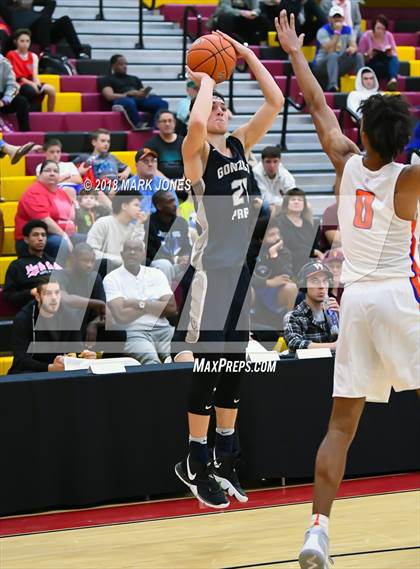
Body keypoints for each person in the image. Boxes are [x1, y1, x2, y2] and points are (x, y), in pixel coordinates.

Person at [276, 11, 420, 567]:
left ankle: (317, 531)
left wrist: (293, 51)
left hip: (354, 301)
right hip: (399, 297)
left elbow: (316, 105)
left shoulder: (348, 164)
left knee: (340, 426)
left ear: (363, 133)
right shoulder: (407, 179)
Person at [173, 30, 284, 509]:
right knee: (211, 365)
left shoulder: (240, 144)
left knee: (235, 368)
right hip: (211, 273)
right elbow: (195, 126)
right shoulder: (196, 154)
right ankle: (194, 459)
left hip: (241, 272)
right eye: (214, 103)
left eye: (222, 102)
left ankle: (224, 453)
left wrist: (246, 55)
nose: (219, 108)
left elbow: (276, 100)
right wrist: (202, 80)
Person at [103, 240, 177, 365]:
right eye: (128, 249)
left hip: (164, 329)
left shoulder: (156, 274)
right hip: (134, 332)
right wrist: (155, 304)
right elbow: (121, 316)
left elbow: (171, 308)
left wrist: (138, 303)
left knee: (179, 358)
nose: (132, 252)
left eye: (136, 249)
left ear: (143, 254)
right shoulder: (111, 279)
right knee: (152, 363)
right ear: (122, 254)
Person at [8, 277, 96, 374]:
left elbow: (76, 349)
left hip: (62, 368)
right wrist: (49, 368)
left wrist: (86, 356)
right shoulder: (23, 318)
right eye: (48, 294)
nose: (54, 298)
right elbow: (20, 360)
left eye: (57, 293)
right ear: (38, 296)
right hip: (31, 371)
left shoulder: (70, 315)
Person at [55, 243, 121, 351]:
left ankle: (110, 363)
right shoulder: (59, 275)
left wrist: (94, 324)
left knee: (118, 332)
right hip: (64, 328)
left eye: (92, 261)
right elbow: (64, 299)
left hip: (87, 328)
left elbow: (106, 314)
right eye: (85, 260)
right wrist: (97, 303)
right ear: (73, 258)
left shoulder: (94, 277)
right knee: (73, 315)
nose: (89, 265)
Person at [15, 160, 76, 261]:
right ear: (39, 175)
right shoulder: (33, 192)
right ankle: (58, 275)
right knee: (60, 243)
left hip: (60, 233)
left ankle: (80, 275)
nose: (52, 173)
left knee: (84, 240)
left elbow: (71, 216)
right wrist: (65, 236)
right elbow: (44, 220)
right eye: (47, 170)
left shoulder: (61, 192)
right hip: (34, 237)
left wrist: (74, 203)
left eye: (55, 171)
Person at [3, 219, 62, 310]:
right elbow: (8, 297)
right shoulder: (17, 266)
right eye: (35, 235)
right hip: (35, 308)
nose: (40, 238)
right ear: (26, 239)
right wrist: (31, 292)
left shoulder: (54, 262)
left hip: (62, 303)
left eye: (43, 235)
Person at [99, 54, 168, 130]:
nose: (124, 66)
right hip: (122, 100)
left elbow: (141, 91)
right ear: (113, 66)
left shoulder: (134, 78)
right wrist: (127, 94)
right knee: (129, 102)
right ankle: (138, 125)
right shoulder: (106, 79)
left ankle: (156, 127)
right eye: (121, 64)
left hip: (137, 99)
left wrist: (143, 93)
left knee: (162, 102)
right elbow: (109, 96)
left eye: (126, 64)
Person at [0, 0, 89, 58]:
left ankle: (79, 52)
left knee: (64, 20)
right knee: (43, 19)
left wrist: (31, 2)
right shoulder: (10, 12)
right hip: (27, 34)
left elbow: (51, 2)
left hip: (45, 33)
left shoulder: (37, 14)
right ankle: (45, 52)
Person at [284, 261, 339, 352]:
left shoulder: (333, 314)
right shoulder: (293, 316)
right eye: (315, 281)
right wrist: (334, 346)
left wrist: (343, 319)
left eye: (325, 281)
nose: (321, 286)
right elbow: (295, 343)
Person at [248, 219, 297, 314]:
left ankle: (293, 325)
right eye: (271, 235)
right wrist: (267, 282)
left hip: (275, 292)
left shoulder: (283, 251)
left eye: (278, 234)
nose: (277, 238)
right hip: (254, 289)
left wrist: (274, 255)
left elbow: (287, 275)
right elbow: (244, 278)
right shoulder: (249, 251)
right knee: (245, 290)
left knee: (292, 288)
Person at [86, 191, 145, 270]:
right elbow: (91, 252)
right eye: (136, 205)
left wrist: (139, 224)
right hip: (104, 269)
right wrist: (119, 260)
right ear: (124, 206)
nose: (140, 209)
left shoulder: (134, 228)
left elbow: (138, 252)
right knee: (106, 263)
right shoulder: (103, 223)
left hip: (126, 269)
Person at [313, 5, 363, 92]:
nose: (337, 19)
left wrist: (352, 49)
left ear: (343, 18)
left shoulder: (348, 29)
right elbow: (329, 50)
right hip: (321, 65)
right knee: (333, 56)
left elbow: (354, 45)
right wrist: (337, 32)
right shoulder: (323, 31)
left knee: (358, 56)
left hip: (339, 63)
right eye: (334, 17)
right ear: (329, 19)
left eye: (339, 17)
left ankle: (362, 84)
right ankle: (333, 86)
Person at [147, 190, 191, 282]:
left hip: (177, 264)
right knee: (165, 265)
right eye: (169, 202)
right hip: (157, 264)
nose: (174, 204)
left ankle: (191, 296)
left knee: (193, 266)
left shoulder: (181, 222)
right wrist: (174, 259)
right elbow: (150, 253)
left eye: (174, 201)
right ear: (159, 206)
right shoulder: (149, 223)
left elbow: (187, 246)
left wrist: (185, 257)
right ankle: (166, 296)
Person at [6, 28, 56, 112]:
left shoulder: (33, 56)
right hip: (18, 83)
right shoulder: (11, 54)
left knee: (51, 90)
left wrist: (37, 85)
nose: (25, 44)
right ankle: (27, 109)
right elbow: (18, 77)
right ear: (15, 42)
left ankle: (50, 113)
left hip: (31, 81)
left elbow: (35, 75)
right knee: (30, 90)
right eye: (22, 41)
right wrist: (32, 84)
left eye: (27, 41)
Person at [277, 188, 320, 276]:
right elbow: (286, 249)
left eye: (300, 200)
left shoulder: (307, 224)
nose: (296, 202)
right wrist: (312, 252)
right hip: (289, 265)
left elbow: (315, 246)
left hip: (308, 264)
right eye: (293, 199)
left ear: (304, 204)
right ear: (286, 203)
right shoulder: (279, 222)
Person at [76, 129, 131, 197]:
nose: (106, 144)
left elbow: (127, 167)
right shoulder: (85, 158)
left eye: (108, 141)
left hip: (118, 185)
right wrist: (78, 172)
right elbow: (68, 168)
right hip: (101, 188)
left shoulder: (112, 157)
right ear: (94, 142)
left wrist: (125, 173)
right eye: (103, 141)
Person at [127, 147, 177, 216]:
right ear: (136, 166)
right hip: (135, 224)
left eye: (153, 161)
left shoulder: (165, 184)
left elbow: (175, 209)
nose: (150, 164)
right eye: (145, 161)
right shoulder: (127, 185)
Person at [359, 15, 399, 91]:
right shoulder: (366, 36)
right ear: (373, 27)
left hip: (385, 60)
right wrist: (368, 54)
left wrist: (390, 52)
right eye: (378, 28)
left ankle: (393, 79)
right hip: (372, 62)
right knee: (378, 65)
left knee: (394, 59)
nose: (380, 31)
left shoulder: (389, 35)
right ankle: (376, 86)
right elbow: (360, 56)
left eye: (383, 29)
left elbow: (394, 52)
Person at [252, 146, 296, 210]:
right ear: (262, 162)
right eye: (268, 162)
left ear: (280, 161)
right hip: (261, 207)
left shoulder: (284, 173)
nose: (272, 166)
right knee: (272, 208)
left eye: (275, 161)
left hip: (281, 205)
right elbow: (265, 198)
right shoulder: (256, 172)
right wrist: (286, 202)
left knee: (307, 206)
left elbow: (294, 195)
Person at [144, 110, 184, 180]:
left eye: (170, 121)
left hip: (183, 182)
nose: (167, 124)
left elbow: (190, 165)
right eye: (164, 121)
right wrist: (167, 182)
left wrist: (184, 180)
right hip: (160, 183)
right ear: (157, 124)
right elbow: (150, 167)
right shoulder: (150, 144)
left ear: (174, 123)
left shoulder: (184, 142)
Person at [0, 51, 29, 130]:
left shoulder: (4, 63)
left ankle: (25, 133)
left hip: (2, 98)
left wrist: (4, 100)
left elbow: (12, 85)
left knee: (22, 102)